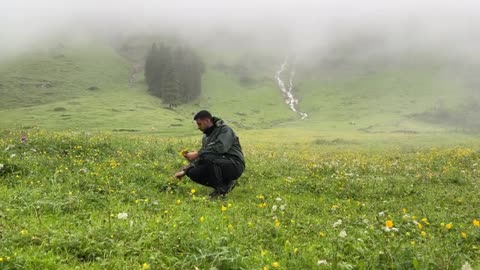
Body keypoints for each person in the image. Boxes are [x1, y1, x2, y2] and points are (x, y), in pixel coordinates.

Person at [174, 110, 245, 198]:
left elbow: (221, 147)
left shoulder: (225, 130)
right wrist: (185, 171)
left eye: (199, 124)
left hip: (234, 164)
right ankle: (225, 185)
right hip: (218, 162)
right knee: (192, 172)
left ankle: (220, 192)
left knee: (207, 157)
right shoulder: (206, 137)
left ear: (207, 121)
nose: (198, 127)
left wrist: (198, 153)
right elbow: (204, 155)